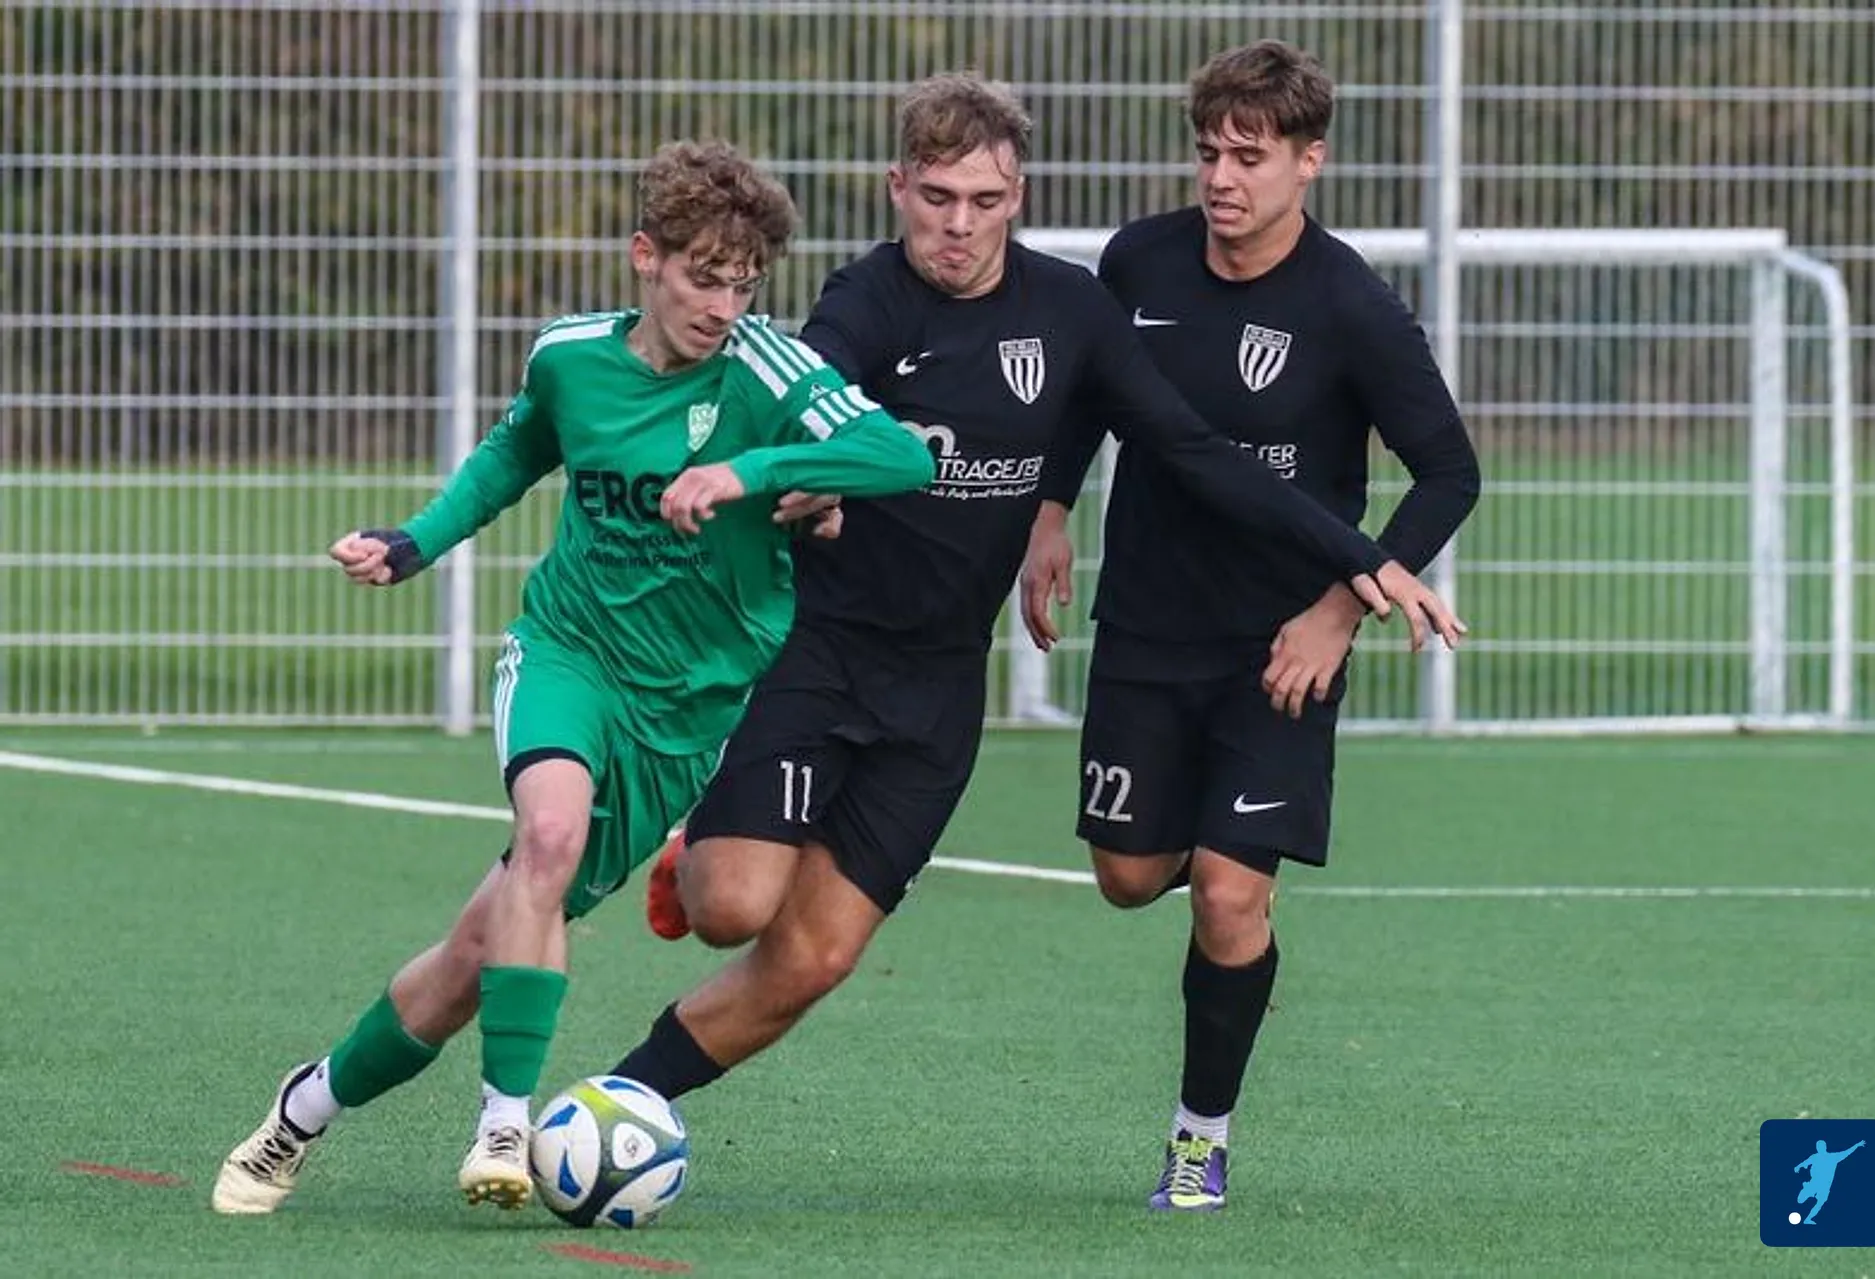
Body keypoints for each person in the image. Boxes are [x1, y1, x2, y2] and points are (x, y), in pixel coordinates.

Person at [600, 73, 1462, 1125]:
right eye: (936, 198)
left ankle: (621, 1103)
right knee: (734, 906)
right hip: (821, 653)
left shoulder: (1076, 309)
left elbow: (1189, 446)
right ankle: (703, 852)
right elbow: (811, 385)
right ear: (897, 190)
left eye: (985, 201)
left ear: (1019, 197)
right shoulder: (868, 299)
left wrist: (1358, 565)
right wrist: (807, 464)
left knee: (818, 958)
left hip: (944, 689)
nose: (958, 225)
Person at [209, 140, 935, 1216]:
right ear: (647, 257)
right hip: (569, 652)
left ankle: (301, 1111)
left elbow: (901, 458)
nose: (724, 304)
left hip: (684, 710)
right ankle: (505, 1125)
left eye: (745, 284)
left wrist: (755, 470)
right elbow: (512, 455)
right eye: (703, 277)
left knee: (471, 954)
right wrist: (412, 542)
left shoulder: (770, 370)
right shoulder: (570, 358)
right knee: (546, 834)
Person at [1019, 39, 1482, 1211]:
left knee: (1228, 890)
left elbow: (1447, 474)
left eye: (1251, 155)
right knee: (1129, 878)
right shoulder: (1139, 263)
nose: (1223, 177)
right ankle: (1219, 863)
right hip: (1145, 631)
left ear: (1308, 162)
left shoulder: (1352, 307)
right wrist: (1049, 511)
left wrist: (1336, 613)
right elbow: (1087, 393)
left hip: (1282, 650)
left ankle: (1199, 1134)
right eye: (1208, 151)